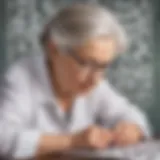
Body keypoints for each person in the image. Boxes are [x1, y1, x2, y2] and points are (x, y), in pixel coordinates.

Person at [0, 3, 151, 160]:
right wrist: (72, 141)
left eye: (103, 66)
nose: (96, 79)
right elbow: (3, 138)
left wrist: (131, 128)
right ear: (54, 49)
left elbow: (129, 114)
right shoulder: (21, 77)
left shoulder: (94, 83)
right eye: (86, 64)